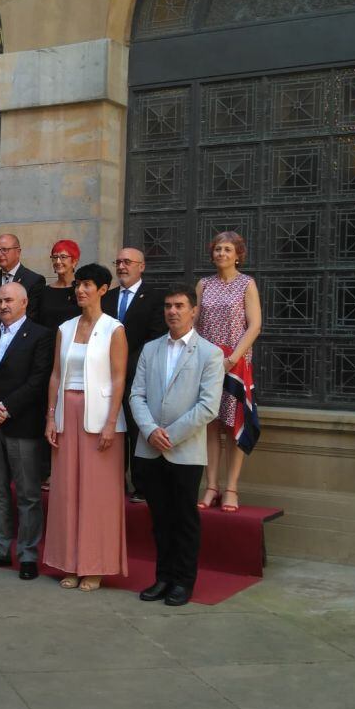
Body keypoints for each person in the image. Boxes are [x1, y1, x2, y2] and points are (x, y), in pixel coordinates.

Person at [130, 284, 224, 606]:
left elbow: (208, 406)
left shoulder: (210, 353)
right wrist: (150, 430)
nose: (172, 311)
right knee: (159, 519)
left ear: (194, 310)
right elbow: (136, 395)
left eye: (179, 306)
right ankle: (163, 578)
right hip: (149, 447)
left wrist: (170, 434)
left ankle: (183, 582)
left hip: (184, 452)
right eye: (168, 306)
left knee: (183, 519)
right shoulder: (150, 349)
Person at [43, 264, 129, 592]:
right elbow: (55, 375)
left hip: (101, 419)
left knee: (98, 496)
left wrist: (111, 422)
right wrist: (51, 417)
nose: (80, 290)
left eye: (88, 285)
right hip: (67, 413)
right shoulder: (64, 328)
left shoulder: (114, 329)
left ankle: (95, 565)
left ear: (104, 290)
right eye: (78, 285)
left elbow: (120, 377)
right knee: (66, 491)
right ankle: (70, 562)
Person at [0, 282, 54, 580]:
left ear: (25, 303)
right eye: (0, 300)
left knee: (28, 493)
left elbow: (39, 379)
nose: (3, 305)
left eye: (9, 300)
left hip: (21, 425)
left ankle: (28, 555)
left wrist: (5, 407)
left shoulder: (40, 335)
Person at [195, 231, 262, 513]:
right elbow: (194, 322)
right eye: (217, 249)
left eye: (227, 250)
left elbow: (255, 325)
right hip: (208, 364)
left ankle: (231, 487)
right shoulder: (204, 284)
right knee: (210, 425)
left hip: (235, 363)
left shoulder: (247, 284)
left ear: (238, 255)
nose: (221, 254)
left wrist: (232, 358)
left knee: (234, 425)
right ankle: (211, 486)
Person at [105, 246, 167, 503]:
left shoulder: (154, 298)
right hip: (105, 377)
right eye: (118, 261)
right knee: (111, 430)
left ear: (141, 266)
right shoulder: (106, 298)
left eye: (127, 262)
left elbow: (155, 338)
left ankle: (140, 485)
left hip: (138, 377)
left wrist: (126, 364)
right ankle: (113, 482)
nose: (121, 266)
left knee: (135, 430)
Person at [0, 233, 45, 330]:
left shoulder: (34, 280)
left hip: (21, 340)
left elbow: (33, 316)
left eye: (4, 250)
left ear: (18, 252)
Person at [38, 239, 82, 329]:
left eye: (63, 257)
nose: (58, 261)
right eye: (54, 257)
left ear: (74, 261)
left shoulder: (81, 290)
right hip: (48, 341)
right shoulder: (44, 291)